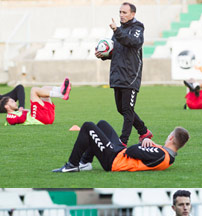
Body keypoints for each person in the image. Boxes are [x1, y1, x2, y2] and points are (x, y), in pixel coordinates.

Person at [95, 2, 152, 146]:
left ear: (133, 14)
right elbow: (116, 53)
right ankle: (144, 131)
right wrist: (103, 55)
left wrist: (116, 31)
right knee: (121, 109)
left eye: (124, 12)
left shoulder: (137, 28)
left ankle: (123, 142)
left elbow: (131, 42)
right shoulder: (118, 31)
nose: (121, 15)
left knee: (127, 109)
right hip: (117, 75)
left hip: (130, 76)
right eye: (120, 12)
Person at [52, 120, 189, 172]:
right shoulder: (165, 154)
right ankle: (85, 162)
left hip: (114, 161)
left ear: (171, 138)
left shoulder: (161, 155)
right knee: (102, 124)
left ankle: (72, 165)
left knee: (88, 126)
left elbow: (131, 150)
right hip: (119, 153)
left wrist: (143, 144)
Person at [0, 78, 71, 125]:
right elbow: (20, 119)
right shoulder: (9, 116)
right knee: (34, 90)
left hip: (47, 118)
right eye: (12, 102)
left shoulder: (16, 112)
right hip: (40, 118)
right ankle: (61, 94)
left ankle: (61, 90)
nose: (15, 102)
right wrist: (23, 111)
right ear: (6, 106)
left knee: (44, 88)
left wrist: (24, 110)